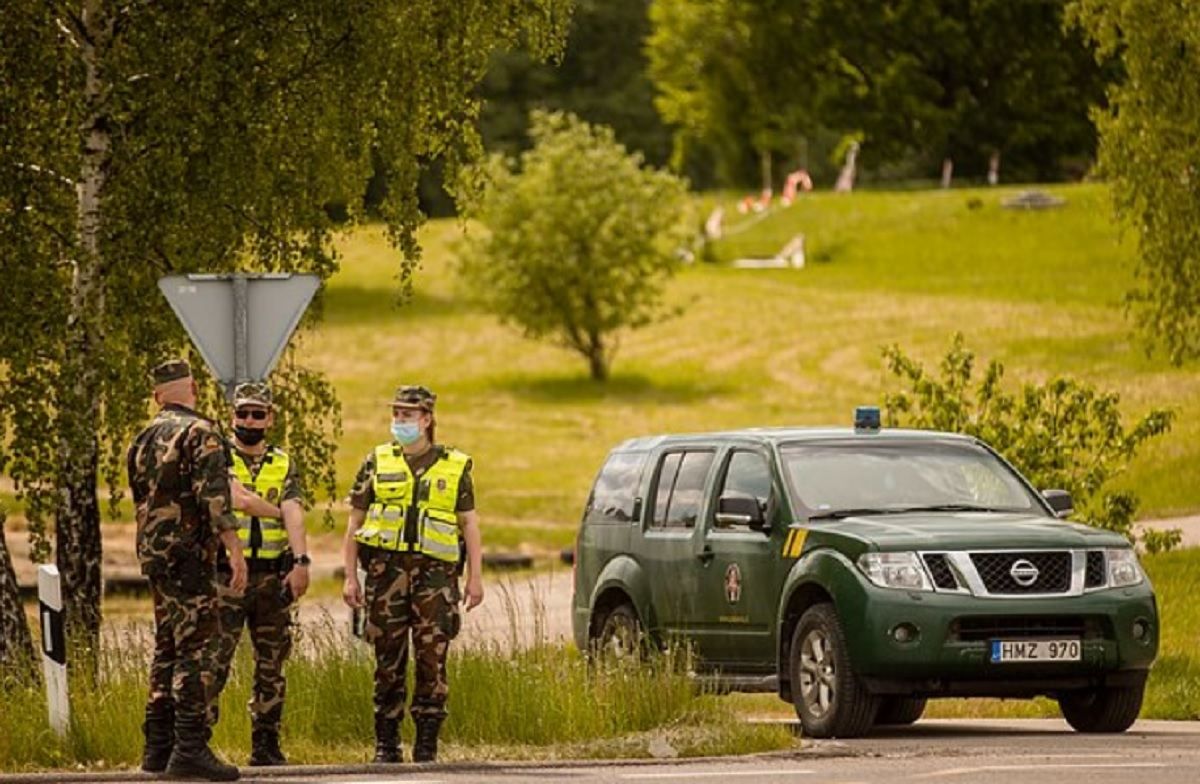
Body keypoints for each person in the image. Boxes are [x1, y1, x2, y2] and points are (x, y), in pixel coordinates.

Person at [342, 385, 484, 764]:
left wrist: (475, 577)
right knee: (387, 658)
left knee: (431, 659)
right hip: (385, 574)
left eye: (407, 414)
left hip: (435, 579)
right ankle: (386, 744)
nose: (399, 420)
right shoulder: (377, 461)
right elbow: (354, 523)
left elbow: (469, 524)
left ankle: (426, 746)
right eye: (396, 414)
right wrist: (350, 577)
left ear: (426, 419)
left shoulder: (454, 466)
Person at [127, 360, 247, 782]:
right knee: (196, 647)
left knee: (167, 645)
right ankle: (190, 748)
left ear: (157, 395)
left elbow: (139, 497)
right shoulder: (201, 433)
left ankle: (157, 748)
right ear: (193, 388)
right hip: (189, 555)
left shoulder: (143, 437)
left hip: (155, 554)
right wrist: (234, 548)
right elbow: (213, 496)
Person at [208, 382, 310, 766]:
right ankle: (196, 742)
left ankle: (266, 744)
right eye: (242, 413)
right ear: (231, 416)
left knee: (272, 664)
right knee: (214, 661)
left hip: (271, 576)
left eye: (257, 414)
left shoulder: (283, 462)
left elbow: (296, 512)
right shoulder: (219, 457)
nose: (249, 421)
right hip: (227, 576)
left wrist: (301, 562)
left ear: (270, 418)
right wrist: (277, 510)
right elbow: (239, 500)